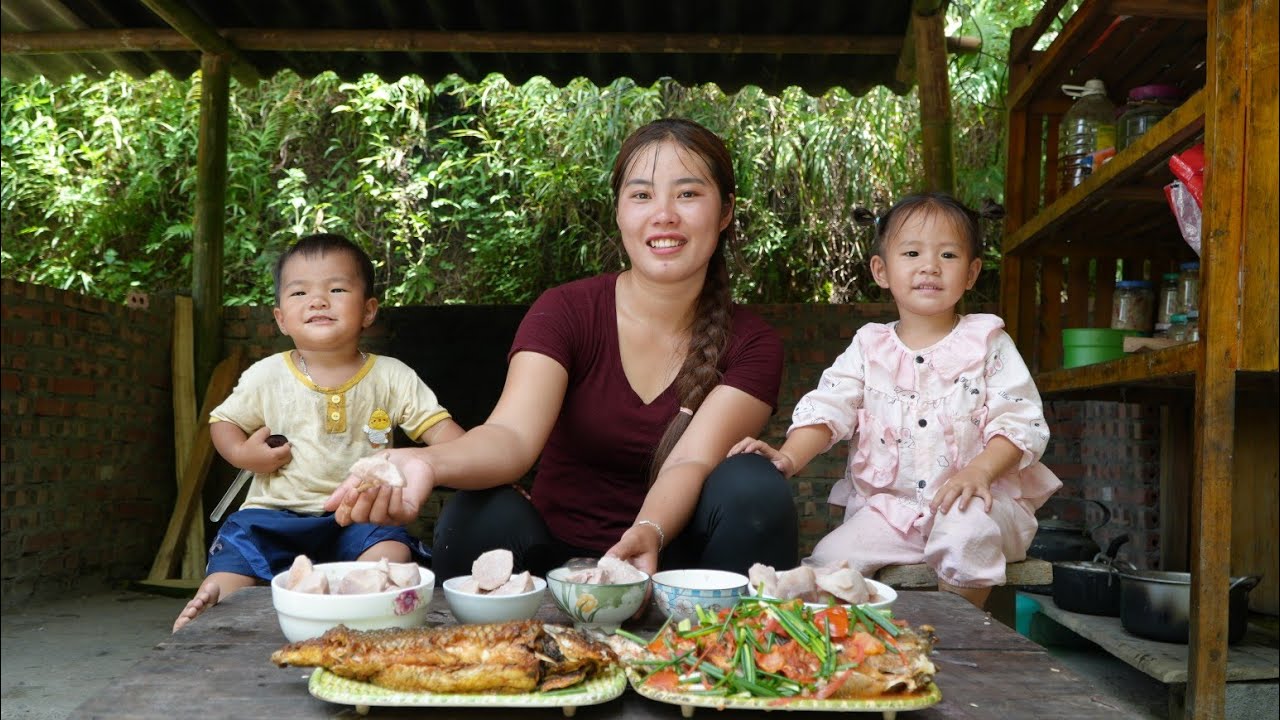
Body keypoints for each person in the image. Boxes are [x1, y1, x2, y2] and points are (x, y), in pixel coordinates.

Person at [324, 118, 798, 581]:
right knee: (480, 511)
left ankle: (737, 645)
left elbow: (689, 461)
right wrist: (423, 462)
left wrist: (647, 531)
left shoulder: (751, 342)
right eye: (641, 194)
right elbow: (511, 436)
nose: (664, 213)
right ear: (619, 212)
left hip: (676, 567)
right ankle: (476, 657)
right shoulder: (566, 311)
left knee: (753, 485)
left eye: (688, 193)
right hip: (553, 562)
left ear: (726, 211)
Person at [730, 193, 1061, 608]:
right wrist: (789, 458)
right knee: (829, 561)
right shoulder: (869, 348)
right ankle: (854, 651)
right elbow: (831, 406)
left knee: (964, 535)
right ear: (881, 270)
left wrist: (979, 471)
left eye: (948, 254)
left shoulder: (989, 343)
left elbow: (1019, 421)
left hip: (981, 508)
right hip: (893, 515)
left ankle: (960, 636)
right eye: (911, 253)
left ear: (972, 272)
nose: (930, 266)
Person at [172, 233, 465, 632]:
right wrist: (245, 455)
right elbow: (223, 422)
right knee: (239, 553)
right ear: (280, 318)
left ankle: (361, 608)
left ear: (368, 310)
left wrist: (481, 466)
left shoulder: (391, 375)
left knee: (391, 550)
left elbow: (444, 436)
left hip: (359, 515)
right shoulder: (266, 374)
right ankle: (215, 597)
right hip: (274, 515)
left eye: (337, 288)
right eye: (299, 293)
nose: (318, 300)